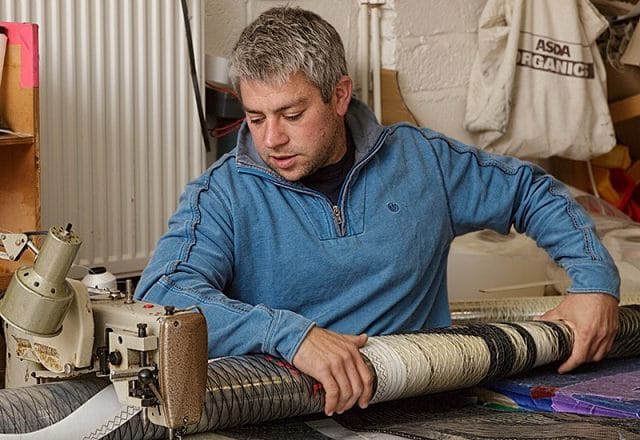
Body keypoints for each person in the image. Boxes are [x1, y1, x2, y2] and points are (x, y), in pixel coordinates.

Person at [135, 6, 620, 418]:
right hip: (279, 408)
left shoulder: (424, 162)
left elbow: (530, 191)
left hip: (425, 404)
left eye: (292, 114)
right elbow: (163, 295)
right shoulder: (222, 195)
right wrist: (290, 335)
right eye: (256, 118)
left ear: (340, 95)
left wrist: (594, 283)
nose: (271, 140)